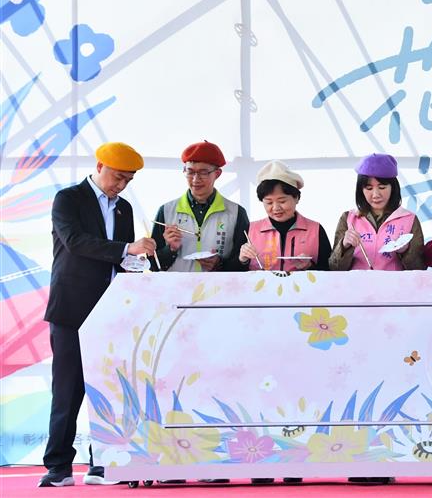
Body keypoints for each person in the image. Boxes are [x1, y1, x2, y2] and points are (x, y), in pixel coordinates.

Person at [39, 143, 156, 487]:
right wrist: (127, 248)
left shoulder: (124, 209)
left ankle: (103, 462)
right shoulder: (68, 199)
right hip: (71, 307)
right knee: (68, 387)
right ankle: (58, 466)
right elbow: (75, 242)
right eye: (118, 177)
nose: (121, 185)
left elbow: (121, 259)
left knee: (109, 388)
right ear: (100, 166)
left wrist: (142, 258)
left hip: (111, 309)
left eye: (128, 180)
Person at [150, 141, 249, 272]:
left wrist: (219, 264)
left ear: (217, 174)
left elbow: (244, 265)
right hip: (177, 285)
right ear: (184, 171)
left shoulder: (236, 213)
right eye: (190, 172)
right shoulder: (166, 210)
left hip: (218, 285)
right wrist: (171, 249)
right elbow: (152, 266)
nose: (196, 179)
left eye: (203, 172)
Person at [329, 153, 425, 271]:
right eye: (369, 188)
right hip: (356, 283)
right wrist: (343, 246)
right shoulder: (348, 218)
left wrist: (406, 251)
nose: (375, 195)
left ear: (393, 187)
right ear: (360, 190)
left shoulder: (409, 219)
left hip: (394, 283)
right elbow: (333, 268)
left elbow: (420, 268)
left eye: (382, 187)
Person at [239, 161, 331, 272]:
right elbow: (233, 272)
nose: (276, 208)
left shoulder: (315, 230)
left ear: (296, 198)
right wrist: (242, 260)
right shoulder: (250, 229)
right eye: (269, 202)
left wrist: (309, 266)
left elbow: (330, 271)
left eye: (282, 201)